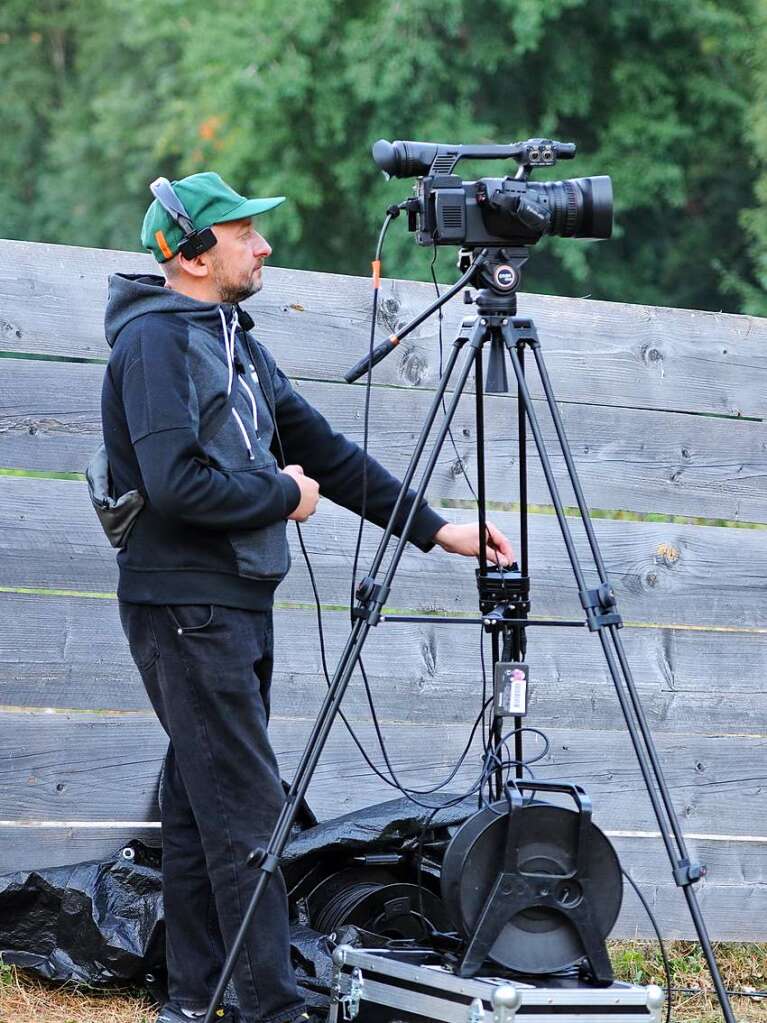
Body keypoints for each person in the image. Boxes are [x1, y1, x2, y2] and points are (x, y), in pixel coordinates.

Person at [100, 171, 514, 1023]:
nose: (265, 245)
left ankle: (193, 999)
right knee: (248, 812)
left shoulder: (232, 340)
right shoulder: (156, 343)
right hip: (186, 603)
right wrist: (281, 497)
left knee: (198, 801)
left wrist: (437, 529)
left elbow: (322, 449)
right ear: (191, 250)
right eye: (246, 232)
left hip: (232, 600)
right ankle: (269, 1008)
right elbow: (176, 485)